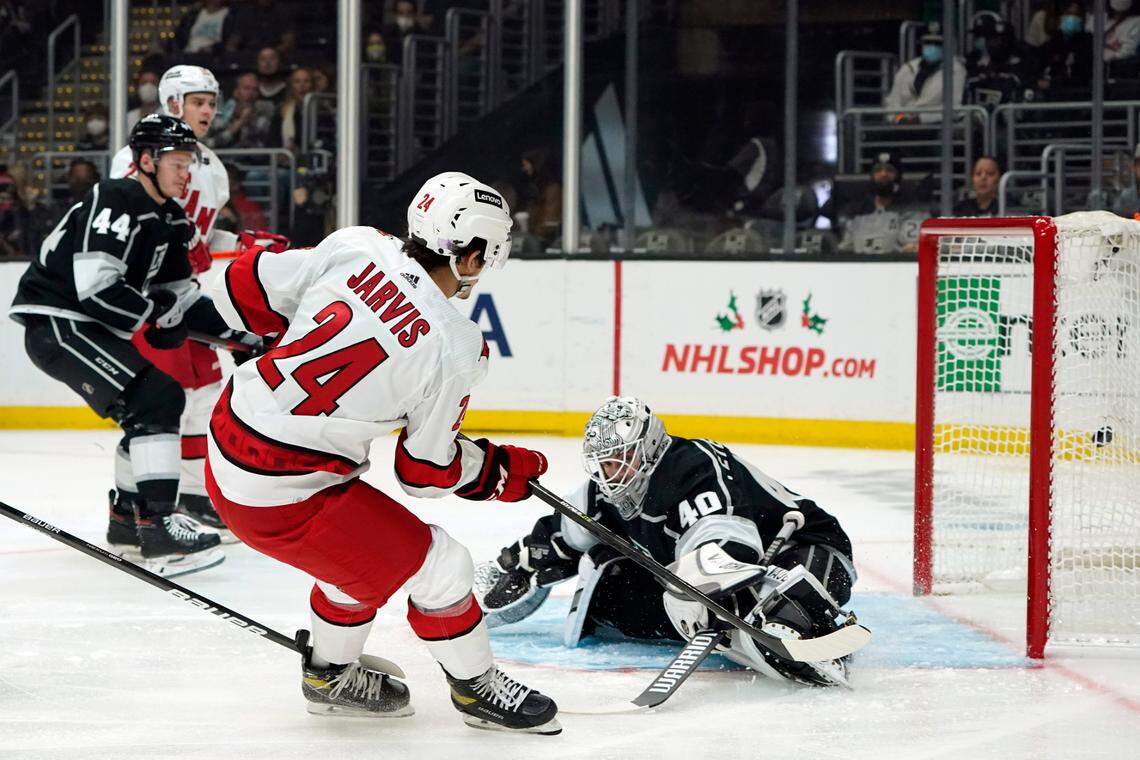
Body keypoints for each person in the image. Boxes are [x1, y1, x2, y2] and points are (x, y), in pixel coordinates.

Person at [202, 171, 560, 733]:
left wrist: (280, 338)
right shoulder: (458, 346)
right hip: (282, 496)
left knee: (357, 556)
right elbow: (423, 471)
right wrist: (497, 470)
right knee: (445, 567)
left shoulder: (356, 244)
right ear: (469, 258)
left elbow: (246, 283)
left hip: (226, 437)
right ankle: (477, 690)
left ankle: (330, 675)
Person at [475, 396, 857, 687]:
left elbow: (728, 547)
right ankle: (736, 627)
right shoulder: (606, 492)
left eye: (621, 458)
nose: (612, 474)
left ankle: (811, 633)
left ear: (650, 446)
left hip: (810, 548)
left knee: (766, 604)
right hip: (721, 571)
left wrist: (691, 589)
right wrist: (520, 563)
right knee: (609, 587)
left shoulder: (692, 466)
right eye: (605, 464)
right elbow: (561, 536)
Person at [7, 116, 238, 576]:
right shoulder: (117, 197)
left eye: (189, 163)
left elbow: (185, 299)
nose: (186, 172)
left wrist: (241, 337)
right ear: (147, 161)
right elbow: (96, 287)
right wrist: (159, 309)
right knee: (158, 398)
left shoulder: (171, 218)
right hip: (60, 325)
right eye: (177, 162)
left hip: (87, 329)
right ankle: (156, 526)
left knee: (148, 408)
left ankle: (128, 525)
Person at [110, 64, 288, 538]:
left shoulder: (213, 166)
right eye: (198, 102)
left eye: (212, 101)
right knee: (163, 403)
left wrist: (242, 240)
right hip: (150, 299)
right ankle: (144, 511)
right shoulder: (138, 157)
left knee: (204, 395)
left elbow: (201, 238)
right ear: (172, 103)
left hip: (187, 296)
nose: (209, 110)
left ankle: (187, 498)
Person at [837, 150, 927, 254]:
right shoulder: (857, 213)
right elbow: (844, 250)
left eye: (889, 170)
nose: (883, 174)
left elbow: (914, 247)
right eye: (878, 170)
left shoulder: (913, 212)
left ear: (898, 176)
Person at [883, 23, 967, 124]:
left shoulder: (955, 71)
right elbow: (892, 102)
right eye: (928, 43)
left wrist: (921, 119)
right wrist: (898, 119)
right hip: (902, 123)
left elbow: (954, 108)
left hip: (935, 125)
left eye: (937, 44)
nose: (932, 47)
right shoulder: (908, 68)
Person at [1037, 3, 1094, 100]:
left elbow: (1086, 73)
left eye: (1076, 15)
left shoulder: (1088, 43)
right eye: (1069, 13)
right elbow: (1040, 67)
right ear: (1062, 17)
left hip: (1080, 93)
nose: (1072, 18)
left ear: (1082, 18)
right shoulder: (1052, 43)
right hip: (1053, 94)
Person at [210, 71, 275, 149]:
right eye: (246, 88)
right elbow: (210, 143)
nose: (251, 93)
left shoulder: (264, 116)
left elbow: (261, 148)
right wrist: (239, 123)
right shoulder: (220, 114)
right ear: (236, 91)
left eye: (255, 89)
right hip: (223, 159)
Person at [272, 67, 313, 154]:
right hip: (283, 160)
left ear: (312, 85)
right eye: (297, 81)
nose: (302, 85)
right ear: (291, 86)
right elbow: (272, 140)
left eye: (306, 81)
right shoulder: (281, 110)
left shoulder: (321, 111)